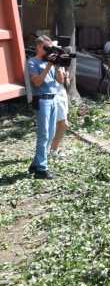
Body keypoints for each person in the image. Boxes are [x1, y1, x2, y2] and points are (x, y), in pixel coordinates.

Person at [27, 35, 66, 180]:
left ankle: (35, 164)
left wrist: (57, 67)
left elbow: (60, 81)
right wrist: (49, 65)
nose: (48, 50)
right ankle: (41, 170)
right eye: (46, 47)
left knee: (50, 134)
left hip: (52, 98)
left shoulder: (49, 63)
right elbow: (36, 83)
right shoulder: (32, 62)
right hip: (41, 100)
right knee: (43, 135)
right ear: (38, 47)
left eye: (50, 47)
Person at [49, 48, 72, 159]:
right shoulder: (54, 65)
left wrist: (66, 76)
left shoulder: (63, 65)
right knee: (64, 125)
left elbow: (66, 83)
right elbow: (59, 81)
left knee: (59, 126)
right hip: (56, 96)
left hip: (62, 95)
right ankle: (54, 150)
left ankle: (53, 150)